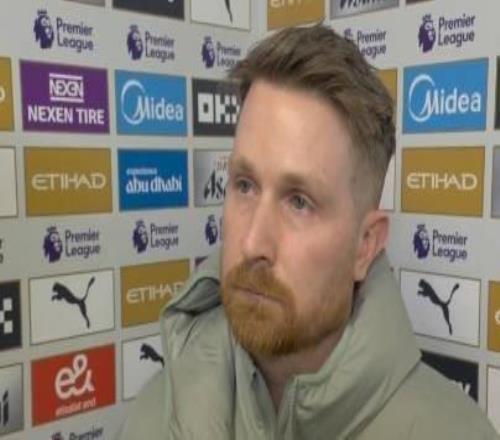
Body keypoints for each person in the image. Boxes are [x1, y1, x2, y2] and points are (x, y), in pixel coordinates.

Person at [118, 25, 498, 439]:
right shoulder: (154, 416)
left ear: (365, 246)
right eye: (244, 185)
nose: (253, 243)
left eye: (299, 202)